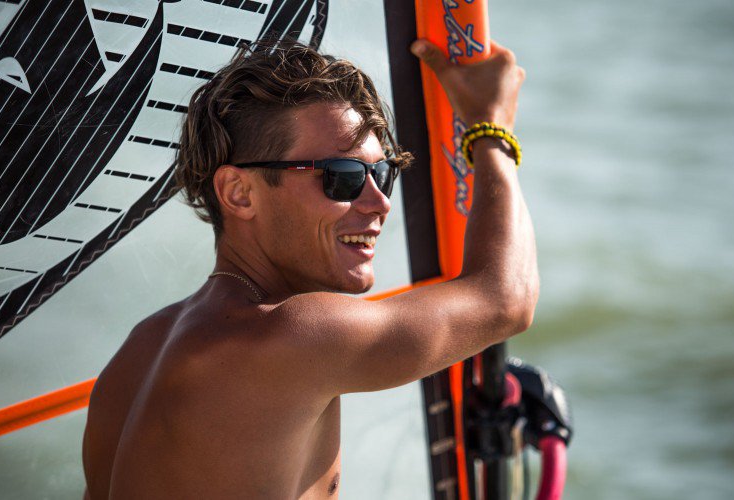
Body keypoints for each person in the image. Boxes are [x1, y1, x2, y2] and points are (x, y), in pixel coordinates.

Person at [82, 37, 535, 499]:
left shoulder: (135, 355)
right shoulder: (293, 333)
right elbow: (505, 299)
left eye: (382, 175)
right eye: (343, 177)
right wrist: (490, 127)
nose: (379, 202)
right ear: (239, 193)